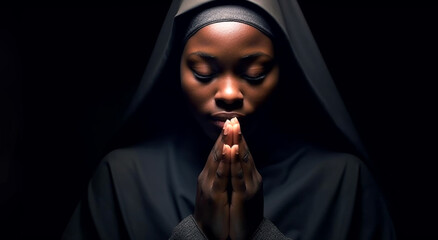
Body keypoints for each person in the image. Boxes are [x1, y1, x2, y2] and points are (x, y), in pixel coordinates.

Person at [62, 1, 396, 239]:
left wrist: (258, 233)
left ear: (283, 71)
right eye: (203, 71)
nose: (229, 93)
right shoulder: (122, 179)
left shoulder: (344, 182)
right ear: (175, 69)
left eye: (255, 72)